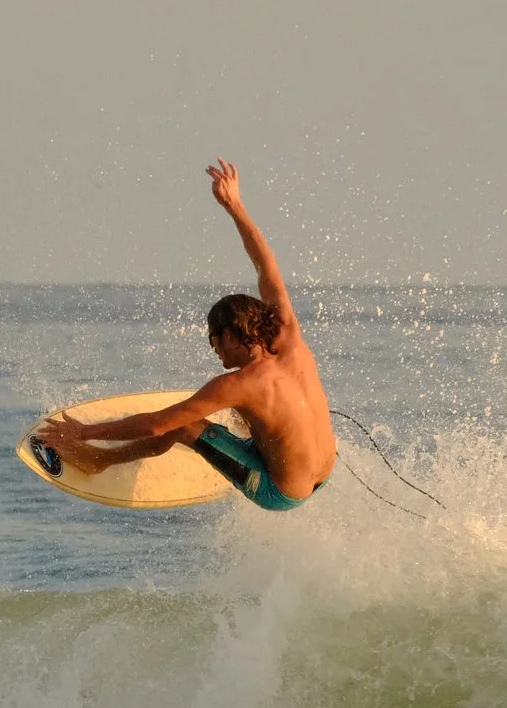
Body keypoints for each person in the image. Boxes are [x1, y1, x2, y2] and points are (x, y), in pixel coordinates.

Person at [33, 160, 336, 510]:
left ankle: (96, 461)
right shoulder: (287, 333)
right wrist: (235, 206)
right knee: (247, 413)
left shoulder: (238, 385)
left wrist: (83, 434)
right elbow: (266, 265)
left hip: (280, 491)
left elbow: (156, 425)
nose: (215, 352)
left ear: (231, 336)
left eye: (214, 341)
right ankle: (252, 436)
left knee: (183, 426)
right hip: (323, 472)